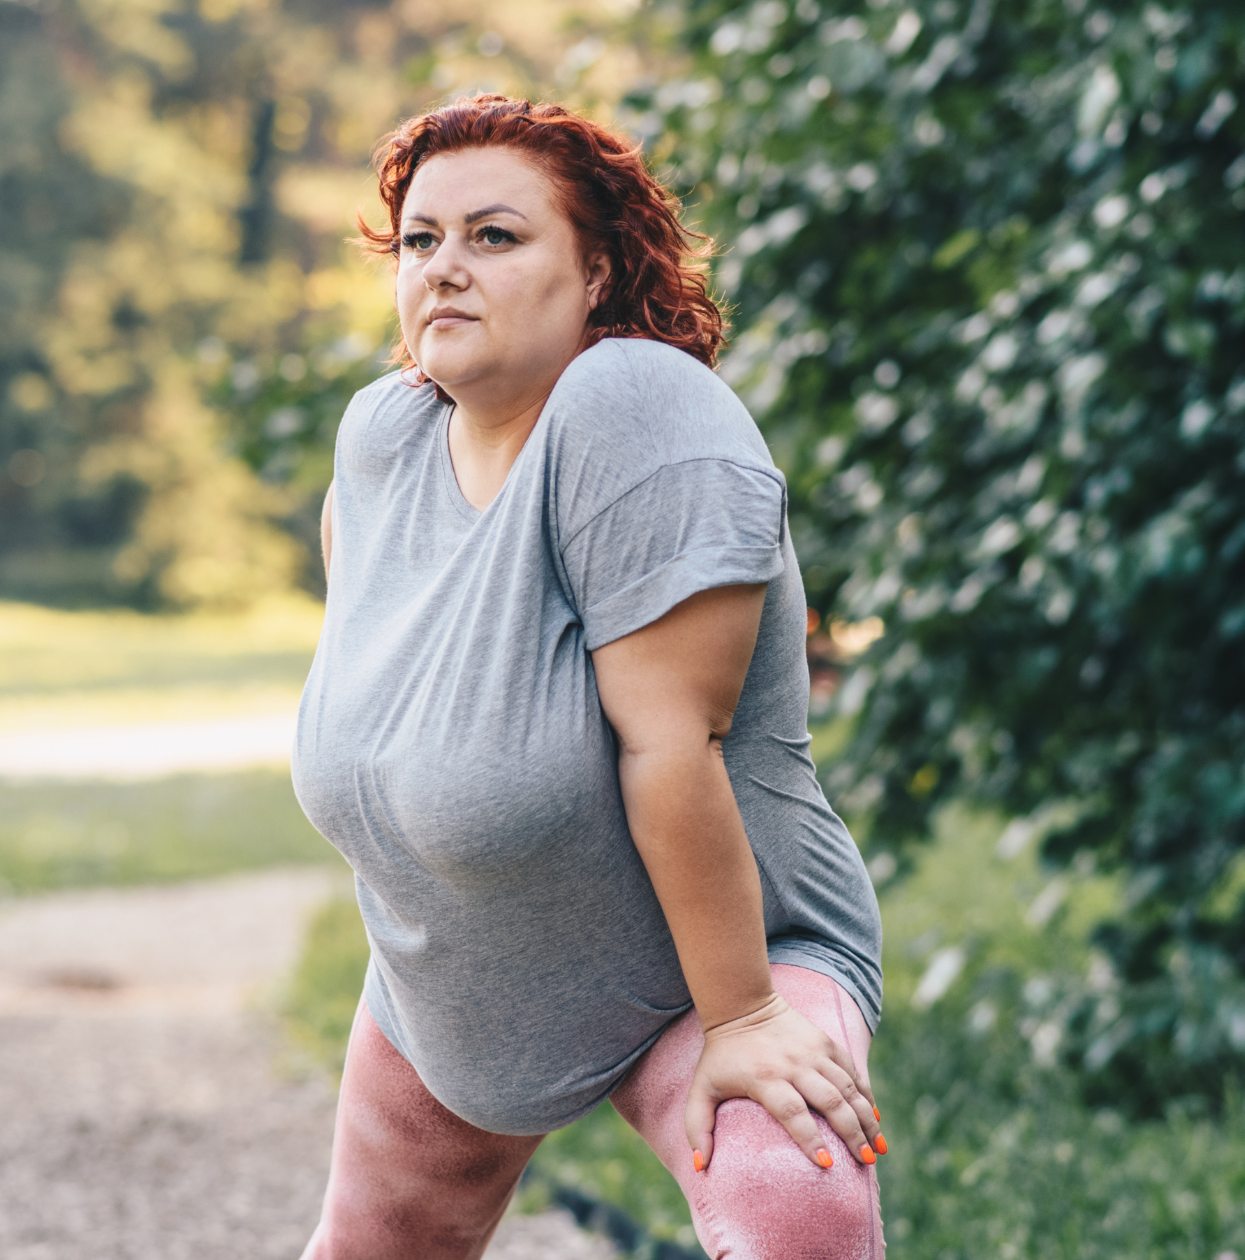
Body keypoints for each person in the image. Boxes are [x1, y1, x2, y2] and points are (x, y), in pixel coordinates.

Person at [290, 93, 886, 1260]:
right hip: (457, 976)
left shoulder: (639, 408)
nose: (444, 269)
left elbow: (673, 746)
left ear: (599, 271)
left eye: (494, 236)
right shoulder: (385, 439)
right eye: (421, 240)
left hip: (707, 961)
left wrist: (745, 1017)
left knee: (795, 1196)